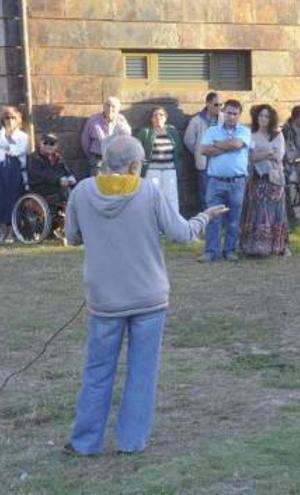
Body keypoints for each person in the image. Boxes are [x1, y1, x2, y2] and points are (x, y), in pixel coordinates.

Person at [63, 135, 227, 456]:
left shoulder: (82, 192)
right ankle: (131, 441)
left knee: (97, 371)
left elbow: (72, 237)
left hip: (104, 299)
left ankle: (84, 443)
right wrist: (204, 217)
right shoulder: (148, 191)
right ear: (136, 165)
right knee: (142, 372)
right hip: (148, 298)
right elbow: (182, 233)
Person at [199, 100, 251, 263]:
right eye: (228, 112)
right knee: (213, 217)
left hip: (237, 182)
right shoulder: (212, 130)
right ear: (223, 113)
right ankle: (211, 251)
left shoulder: (244, 131)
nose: (231, 116)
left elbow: (237, 143)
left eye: (235, 113)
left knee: (233, 219)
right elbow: (204, 150)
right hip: (215, 181)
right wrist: (229, 146)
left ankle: (230, 250)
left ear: (239, 115)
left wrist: (217, 145)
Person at [240, 104, 288, 257]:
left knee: (275, 213)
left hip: (274, 179)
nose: (263, 119)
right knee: (258, 212)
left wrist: (261, 153)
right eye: (261, 115)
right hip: (257, 179)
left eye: (267, 116)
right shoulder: (251, 135)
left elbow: (278, 156)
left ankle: (277, 246)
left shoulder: (277, 135)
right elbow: (249, 156)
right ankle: (255, 246)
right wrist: (267, 152)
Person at [136, 106, 183, 214]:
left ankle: (172, 225)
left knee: (171, 198)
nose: (158, 117)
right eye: (155, 115)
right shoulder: (146, 132)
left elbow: (179, 149)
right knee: (152, 198)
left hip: (170, 169)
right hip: (152, 170)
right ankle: (153, 225)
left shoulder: (172, 131)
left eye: (161, 115)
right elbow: (137, 148)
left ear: (165, 118)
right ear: (151, 119)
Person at [184, 92, 221, 211]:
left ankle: (219, 223)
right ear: (208, 104)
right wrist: (198, 152)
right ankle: (205, 223)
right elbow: (188, 140)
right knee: (205, 193)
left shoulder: (224, 120)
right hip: (205, 163)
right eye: (216, 104)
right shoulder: (197, 120)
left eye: (221, 104)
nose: (219, 107)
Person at [80, 96, 131, 177]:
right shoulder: (93, 119)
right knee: (96, 183)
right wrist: (91, 156)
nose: (110, 108)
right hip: (98, 158)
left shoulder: (121, 120)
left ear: (118, 109)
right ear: (103, 107)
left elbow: (127, 138)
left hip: (116, 158)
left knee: (114, 184)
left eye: (113, 106)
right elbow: (85, 140)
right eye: (107, 105)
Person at [0, 106, 29, 242]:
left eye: (13, 118)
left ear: (18, 120)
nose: (9, 121)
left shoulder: (23, 136)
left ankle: (12, 231)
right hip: (1, 171)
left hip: (15, 172)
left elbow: (17, 151)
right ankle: (3, 231)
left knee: (13, 200)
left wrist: (6, 143)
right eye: (7, 117)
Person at [26, 133, 76, 208]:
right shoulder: (33, 158)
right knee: (65, 192)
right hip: (40, 188)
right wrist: (59, 179)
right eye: (45, 143)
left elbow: (66, 171)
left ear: (56, 146)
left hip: (57, 187)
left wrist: (71, 178)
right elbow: (41, 175)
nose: (48, 146)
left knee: (76, 190)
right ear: (40, 143)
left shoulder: (58, 158)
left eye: (52, 144)